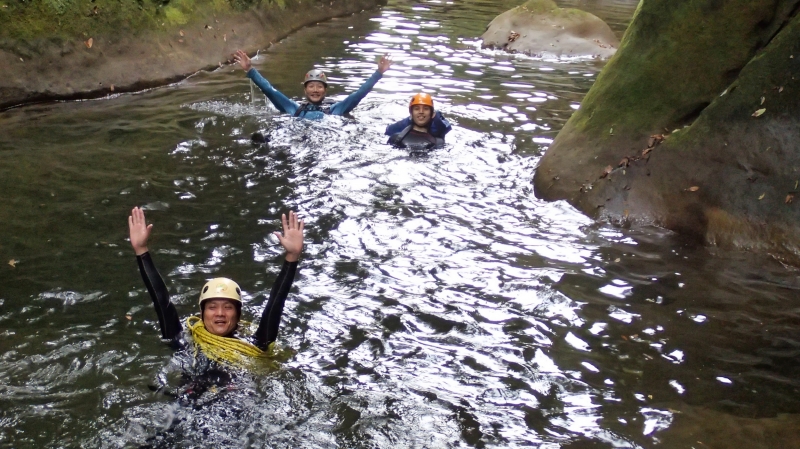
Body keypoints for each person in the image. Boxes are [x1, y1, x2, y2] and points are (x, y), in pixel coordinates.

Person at [128, 206, 303, 375]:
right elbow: (161, 301)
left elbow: (275, 304)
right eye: (212, 307)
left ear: (238, 314)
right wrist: (141, 251)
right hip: (190, 404)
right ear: (202, 313)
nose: (220, 313)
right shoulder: (184, 342)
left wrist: (292, 257)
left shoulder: (255, 344)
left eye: (228, 307)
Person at [233, 49, 394, 119]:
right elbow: (269, 90)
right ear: (305, 89)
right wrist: (251, 70)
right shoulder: (293, 108)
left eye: (319, 86)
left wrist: (378, 73)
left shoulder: (336, 109)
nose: (315, 90)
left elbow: (359, 93)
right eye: (311, 86)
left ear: (325, 90)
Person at [385, 93, 452, 151]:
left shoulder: (438, 143)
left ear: (433, 114)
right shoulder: (396, 138)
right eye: (417, 109)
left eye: (426, 108)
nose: (421, 112)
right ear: (411, 114)